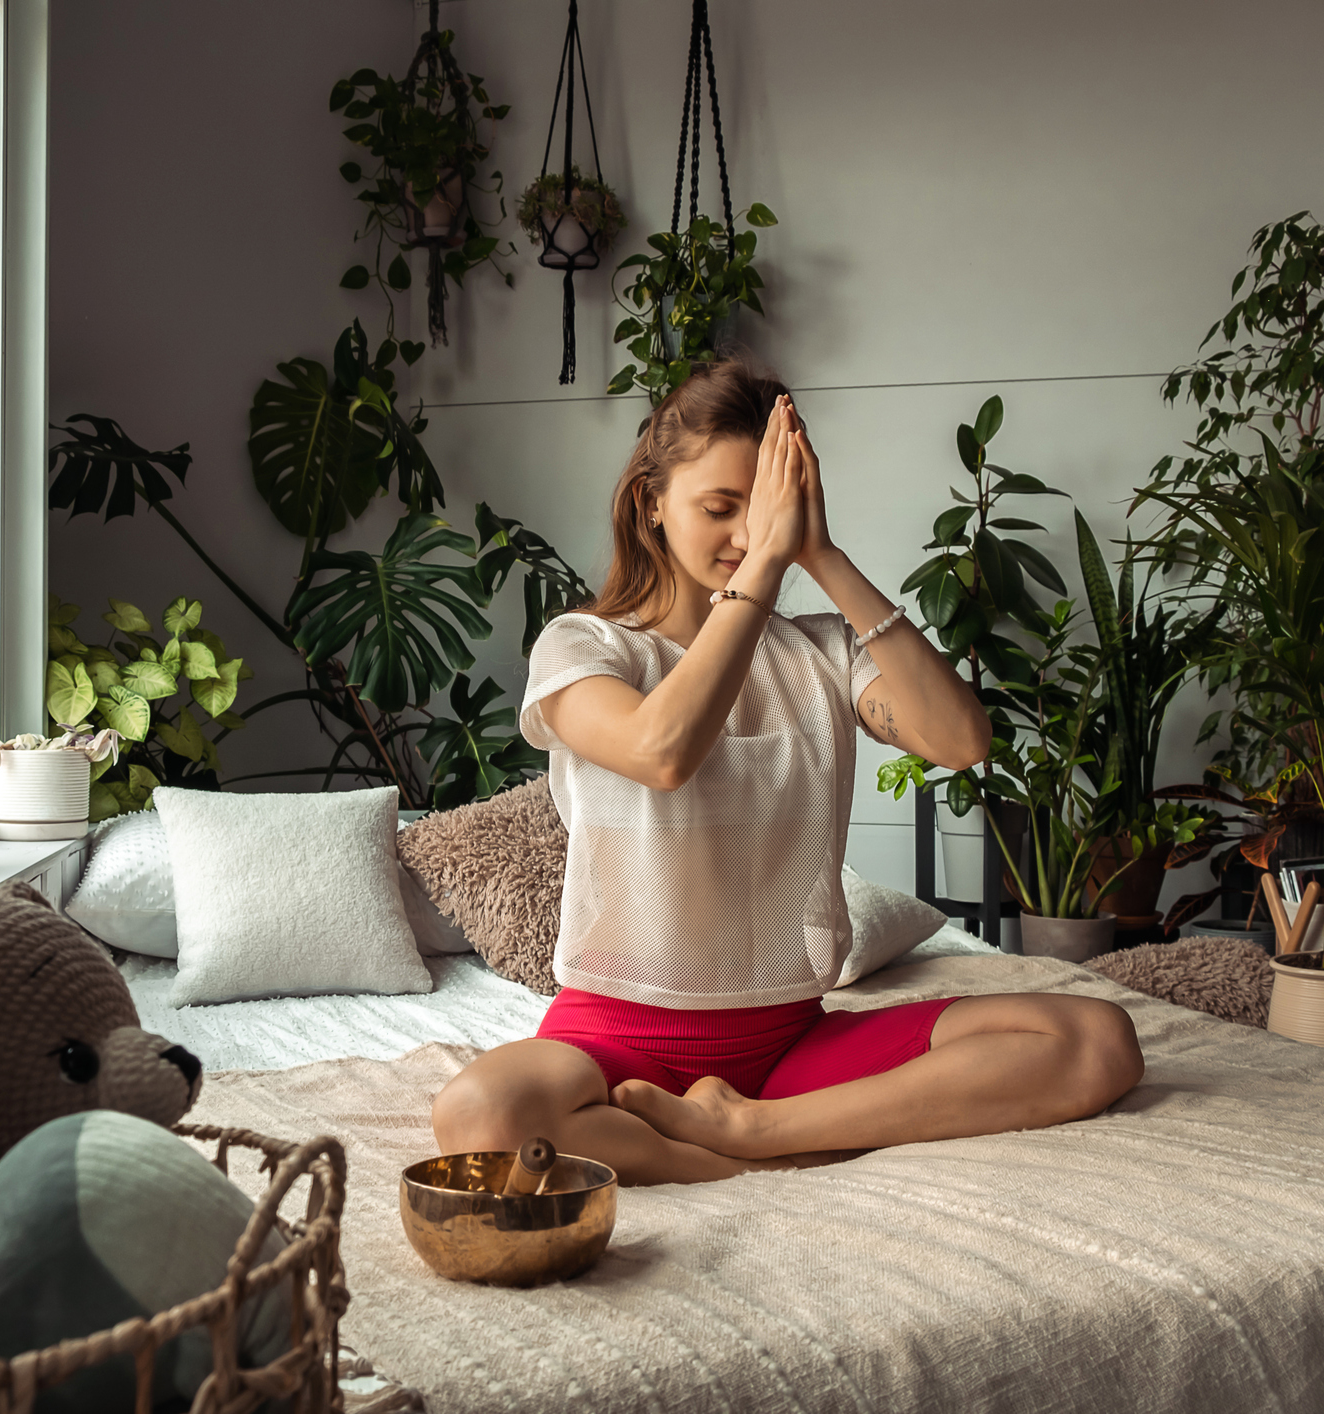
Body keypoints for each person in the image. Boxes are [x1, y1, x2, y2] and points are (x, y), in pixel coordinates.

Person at [431, 362, 1144, 1184]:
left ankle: (753, 1132)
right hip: (618, 1036)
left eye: (764, 511)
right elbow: (662, 753)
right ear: (650, 502)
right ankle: (723, 1159)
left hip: (786, 1041)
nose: (745, 536)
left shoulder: (819, 652)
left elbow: (961, 742)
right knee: (479, 1115)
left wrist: (822, 553)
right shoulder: (584, 647)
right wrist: (765, 566)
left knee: (1096, 1039)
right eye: (719, 508)